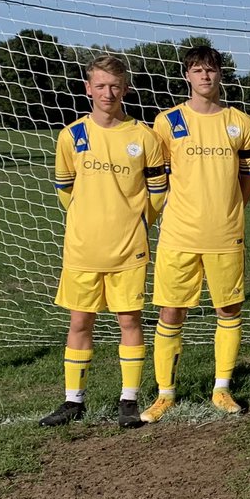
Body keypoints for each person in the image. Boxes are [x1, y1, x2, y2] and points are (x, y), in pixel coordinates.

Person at [40, 55, 168, 429]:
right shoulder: (71, 135)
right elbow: (65, 188)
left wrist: (139, 223)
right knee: (80, 321)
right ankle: (72, 400)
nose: (107, 93)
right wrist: (86, 218)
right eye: (100, 85)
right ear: (88, 89)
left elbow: (158, 191)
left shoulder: (144, 137)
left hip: (129, 248)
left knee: (129, 319)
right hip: (83, 248)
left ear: (125, 89)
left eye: (115, 86)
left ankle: (129, 398)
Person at [141, 45, 250, 422]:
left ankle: (222, 388)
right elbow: (157, 177)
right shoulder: (167, 122)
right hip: (179, 234)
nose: (205, 76)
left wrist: (229, 209)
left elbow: (249, 177)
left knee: (229, 309)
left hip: (225, 234)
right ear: (187, 76)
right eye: (197, 70)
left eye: (210, 70)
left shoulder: (241, 122)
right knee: (171, 311)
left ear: (220, 74)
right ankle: (165, 394)